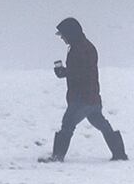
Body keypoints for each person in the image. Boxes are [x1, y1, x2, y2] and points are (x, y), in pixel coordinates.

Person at [39, 16, 127, 162]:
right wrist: (67, 73)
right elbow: (83, 71)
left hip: (82, 98)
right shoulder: (84, 47)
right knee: (101, 124)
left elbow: (81, 73)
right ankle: (119, 154)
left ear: (71, 33)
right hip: (92, 97)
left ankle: (57, 156)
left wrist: (65, 73)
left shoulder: (80, 49)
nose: (62, 38)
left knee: (67, 124)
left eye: (63, 35)